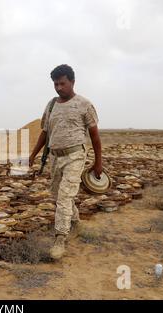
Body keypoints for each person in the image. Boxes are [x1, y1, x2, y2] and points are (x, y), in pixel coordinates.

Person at [29, 64, 103, 260]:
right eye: (55, 84)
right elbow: (45, 132)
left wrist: (98, 162)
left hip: (75, 156)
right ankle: (76, 222)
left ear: (72, 82)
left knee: (64, 196)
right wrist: (33, 154)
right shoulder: (51, 105)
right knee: (57, 194)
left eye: (62, 83)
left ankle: (60, 239)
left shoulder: (84, 105)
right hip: (55, 156)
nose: (59, 88)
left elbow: (95, 137)